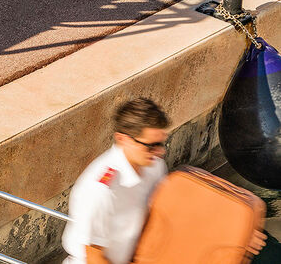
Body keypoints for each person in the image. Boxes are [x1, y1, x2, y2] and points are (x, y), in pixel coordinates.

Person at [62, 98, 266, 263]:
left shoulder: (153, 165)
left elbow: (175, 213)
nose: (160, 151)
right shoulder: (100, 190)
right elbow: (94, 256)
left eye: (161, 143)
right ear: (123, 139)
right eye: (151, 145)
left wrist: (240, 233)